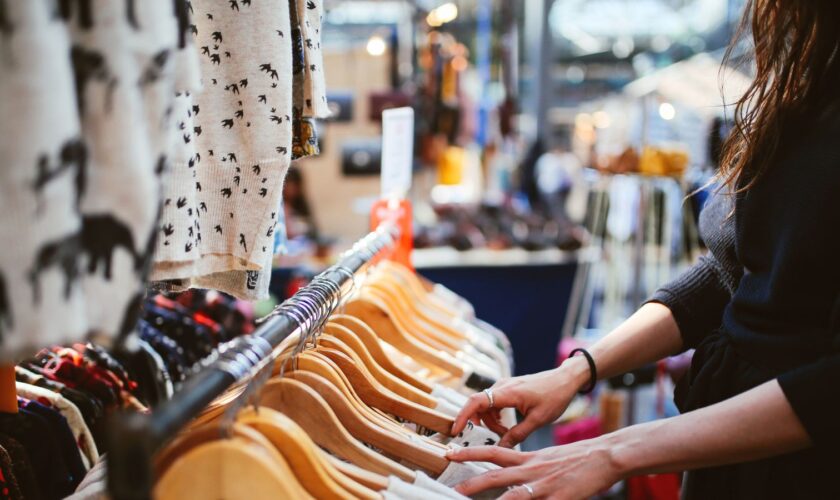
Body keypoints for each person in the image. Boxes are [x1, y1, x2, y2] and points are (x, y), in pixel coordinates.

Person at [447, 2, 840, 499]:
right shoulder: (807, 79)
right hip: (729, 453)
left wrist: (613, 452)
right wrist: (577, 371)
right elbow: (735, 271)